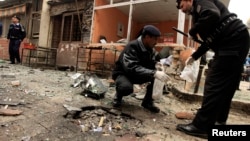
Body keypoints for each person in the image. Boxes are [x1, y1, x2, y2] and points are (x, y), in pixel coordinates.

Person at [175, 0, 250, 138]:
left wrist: (193, 30)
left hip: (231, 41)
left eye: (181, 5)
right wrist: (195, 56)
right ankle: (219, 120)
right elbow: (210, 40)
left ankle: (201, 126)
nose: (181, 9)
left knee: (214, 82)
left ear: (189, 0)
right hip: (237, 39)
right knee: (227, 84)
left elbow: (212, 14)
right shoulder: (202, 15)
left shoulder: (201, 3)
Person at [111, 25, 170, 113]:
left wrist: (155, 64)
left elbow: (149, 62)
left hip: (136, 74)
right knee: (126, 88)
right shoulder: (132, 46)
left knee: (156, 76)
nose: (156, 42)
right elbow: (131, 67)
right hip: (123, 74)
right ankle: (118, 97)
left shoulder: (150, 49)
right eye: (155, 39)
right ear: (147, 37)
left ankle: (147, 102)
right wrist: (153, 72)